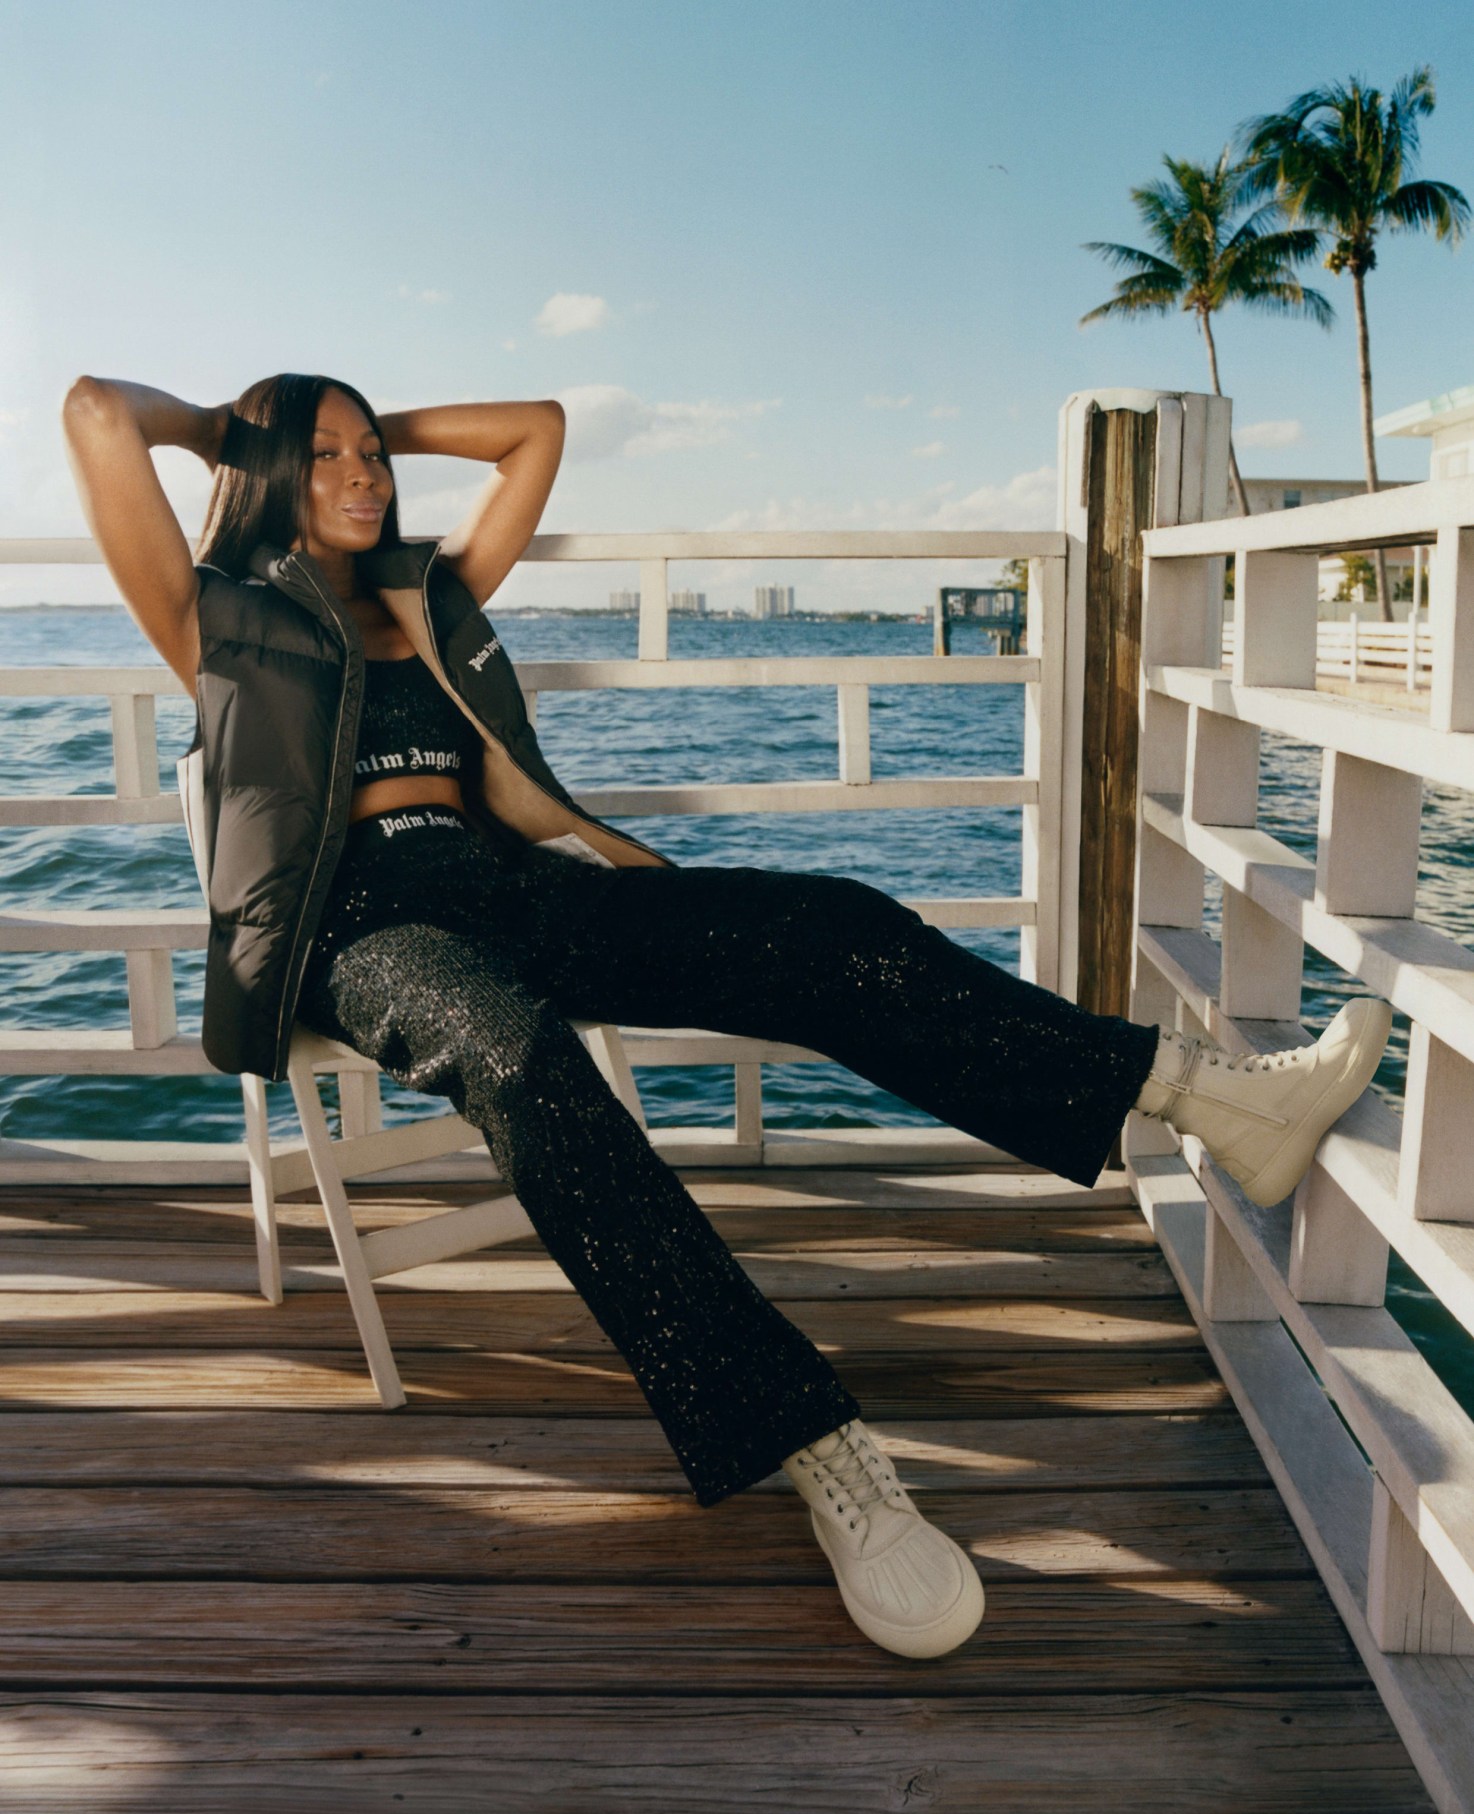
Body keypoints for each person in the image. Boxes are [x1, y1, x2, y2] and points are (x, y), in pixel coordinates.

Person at [61, 371, 1392, 1661]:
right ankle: (810, 1445)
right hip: (362, 925)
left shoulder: (429, 592)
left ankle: (1201, 1096)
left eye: (375, 453)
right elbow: (98, 415)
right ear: (268, 475)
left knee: (826, 924)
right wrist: (249, 428)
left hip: (513, 887)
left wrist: (347, 425)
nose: (364, 472)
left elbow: (536, 432)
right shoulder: (218, 614)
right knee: (523, 1065)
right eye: (331, 455)